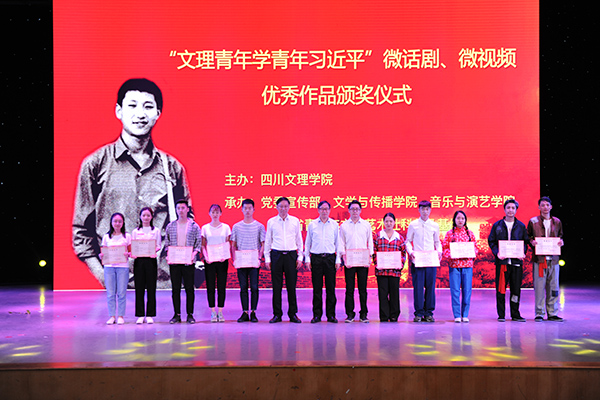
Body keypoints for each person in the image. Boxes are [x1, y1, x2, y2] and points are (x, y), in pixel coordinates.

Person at [72, 78, 191, 288]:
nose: (140, 114)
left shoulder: (172, 167)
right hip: (117, 278)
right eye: (132, 105)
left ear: (158, 113)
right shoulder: (96, 164)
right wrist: (102, 275)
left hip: (164, 282)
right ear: (119, 111)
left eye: (148, 106)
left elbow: (186, 220)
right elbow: (81, 230)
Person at [488, 199, 530, 322]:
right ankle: (501, 315)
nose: (510, 210)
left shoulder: (521, 226)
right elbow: (491, 241)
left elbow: (525, 242)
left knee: (516, 290)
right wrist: (497, 253)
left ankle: (515, 314)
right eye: (508, 208)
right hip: (502, 263)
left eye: (513, 208)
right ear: (504, 209)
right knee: (501, 289)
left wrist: (523, 252)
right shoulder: (497, 225)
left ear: (516, 210)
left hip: (516, 263)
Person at [264, 197, 303, 323]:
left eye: (286, 206)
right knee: (277, 287)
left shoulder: (295, 221)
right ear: (276, 207)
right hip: (276, 255)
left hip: (291, 255)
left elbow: (299, 240)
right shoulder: (271, 222)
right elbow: (268, 240)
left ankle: (293, 314)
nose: (283, 209)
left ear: (289, 207)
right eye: (281, 206)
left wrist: (300, 257)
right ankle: (277, 314)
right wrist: (267, 258)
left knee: (291, 286)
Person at [527, 196, 564, 322]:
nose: (545, 207)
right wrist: (532, 242)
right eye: (542, 205)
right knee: (539, 287)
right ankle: (539, 313)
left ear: (551, 207)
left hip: (554, 259)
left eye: (547, 205)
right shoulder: (533, 221)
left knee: (554, 286)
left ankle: (552, 313)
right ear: (539, 207)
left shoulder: (557, 222)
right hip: (539, 259)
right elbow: (528, 237)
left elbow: (560, 236)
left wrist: (561, 242)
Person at [164, 199, 201, 324]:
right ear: (176, 210)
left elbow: (198, 244)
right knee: (175, 289)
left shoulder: (194, 226)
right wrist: (168, 255)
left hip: (188, 262)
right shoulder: (170, 226)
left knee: (189, 288)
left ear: (187, 209)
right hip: (175, 263)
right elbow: (167, 244)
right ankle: (177, 314)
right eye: (178, 208)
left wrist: (193, 255)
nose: (180, 210)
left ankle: (190, 314)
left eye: (183, 208)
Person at [405, 200, 442, 323]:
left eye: (427, 209)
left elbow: (437, 242)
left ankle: (429, 313)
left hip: (431, 261)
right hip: (418, 260)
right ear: (419, 210)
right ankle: (419, 313)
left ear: (430, 210)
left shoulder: (434, 225)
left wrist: (439, 251)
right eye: (422, 209)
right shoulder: (413, 224)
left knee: (431, 287)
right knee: (418, 287)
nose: (425, 212)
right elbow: (408, 241)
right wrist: (411, 252)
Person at [305, 201, 341, 323]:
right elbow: (308, 243)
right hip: (316, 258)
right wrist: (307, 258)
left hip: (330, 258)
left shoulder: (334, 225)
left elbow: (338, 243)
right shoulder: (312, 225)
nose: (324, 211)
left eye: (326, 209)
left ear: (329, 210)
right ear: (318, 210)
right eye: (322, 209)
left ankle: (331, 315)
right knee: (317, 289)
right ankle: (317, 315)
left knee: (331, 288)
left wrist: (338, 259)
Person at [231, 199, 265, 323]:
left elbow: (263, 244)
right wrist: (234, 258)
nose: (247, 211)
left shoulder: (259, 226)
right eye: (245, 208)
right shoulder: (236, 226)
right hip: (241, 261)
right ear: (242, 210)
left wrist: (259, 257)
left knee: (254, 287)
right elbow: (233, 245)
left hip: (254, 261)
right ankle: (245, 312)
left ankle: (253, 312)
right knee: (243, 287)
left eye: (250, 208)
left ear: (254, 210)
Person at [339, 200, 374, 323]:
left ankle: (363, 314)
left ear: (360, 211)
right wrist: (343, 256)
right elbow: (341, 242)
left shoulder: (366, 225)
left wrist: (370, 256)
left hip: (363, 261)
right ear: (349, 210)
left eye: (357, 209)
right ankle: (350, 314)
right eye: (352, 209)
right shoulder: (344, 226)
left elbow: (370, 241)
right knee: (349, 289)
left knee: (362, 289)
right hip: (350, 261)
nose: (355, 211)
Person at [442, 210, 477, 323]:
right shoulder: (450, 234)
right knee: (455, 291)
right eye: (458, 218)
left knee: (467, 290)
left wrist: (471, 253)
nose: (460, 220)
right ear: (454, 220)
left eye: (462, 218)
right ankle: (457, 315)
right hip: (454, 266)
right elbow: (444, 249)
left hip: (467, 265)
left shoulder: (470, 234)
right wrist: (451, 254)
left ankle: (465, 314)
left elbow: (475, 248)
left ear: (465, 220)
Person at [373, 213, 406, 322]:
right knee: (382, 294)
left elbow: (403, 253)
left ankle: (394, 315)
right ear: (383, 222)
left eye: (391, 221)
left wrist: (400, 264)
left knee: (394, 293)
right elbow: (374, 251)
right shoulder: (377, 236)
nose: (388, 223)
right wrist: (377, 263)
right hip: (381, 271)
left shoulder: (399, 237)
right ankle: (384, 315)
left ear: (394, 222)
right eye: (386, 221)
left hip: (394, 272)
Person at [201, 204, 232, 323]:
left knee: (221, 286)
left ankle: (220, 311)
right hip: (210, 261)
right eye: (213, 212)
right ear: (209, 213)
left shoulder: (226, 227)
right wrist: (206, 257)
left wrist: (225, 255)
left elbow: (228, 244)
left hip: (222, 261)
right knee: (210, 286)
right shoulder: (205, 228)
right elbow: (203, 245)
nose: (215, 214)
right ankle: (213, 311)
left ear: (221, 213)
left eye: (217, 212)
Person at [131, 207, 161, 324]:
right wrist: (133, 253)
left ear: (152, 217)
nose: (146, 218)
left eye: (148, 215)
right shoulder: (135, 231)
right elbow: (133, 246)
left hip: (151, 261)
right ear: (140, 217)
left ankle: (149, 314)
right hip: (139, 261)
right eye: (144, 215)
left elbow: (158, 245)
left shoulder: (156, 231)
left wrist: (154, 251)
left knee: (151, 288)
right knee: (139, 288)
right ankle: (140, 315)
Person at [100, 213, 131, 325]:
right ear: (111, 223)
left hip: (123, 267)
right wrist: (101, 256)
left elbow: (131, 251)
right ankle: (112, 316)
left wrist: (128, 254)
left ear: (123, 223)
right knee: (110, 293)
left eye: (119, 221)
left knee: (122, 293)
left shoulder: (127, 236)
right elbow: (103, 251)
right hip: (109, 267)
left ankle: (121, 316)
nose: (117, 224)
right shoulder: (106, 237)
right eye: (115, 221)